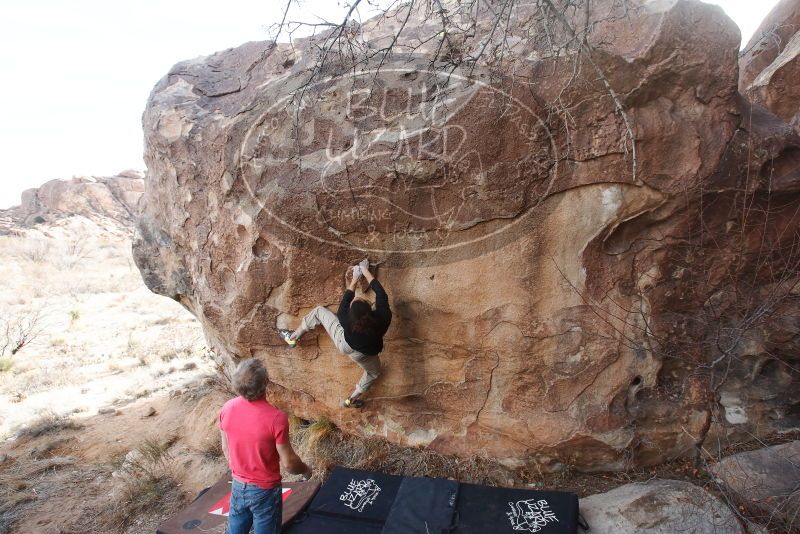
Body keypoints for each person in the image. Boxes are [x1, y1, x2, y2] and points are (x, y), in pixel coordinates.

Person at [219, 359, 312, 534]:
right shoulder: (276, 418)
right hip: (265, 490)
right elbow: (289, 463)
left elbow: (226, 449)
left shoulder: (227, 408)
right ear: (266, 383)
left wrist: (240, 473)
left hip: (238, 484)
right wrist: (306, 470)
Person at [288, 259, 392, 408]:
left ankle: (293, 337)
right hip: (366, 353)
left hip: (345, 345)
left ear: (351, 316)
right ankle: (351, 399)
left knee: (318, 312)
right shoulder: (383, 318)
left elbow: (347, 298)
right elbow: (381, 294)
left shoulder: (345, 319)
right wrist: (365, 270)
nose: (355, 299)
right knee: (373, 373)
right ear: (369, 310)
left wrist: (355, 278)